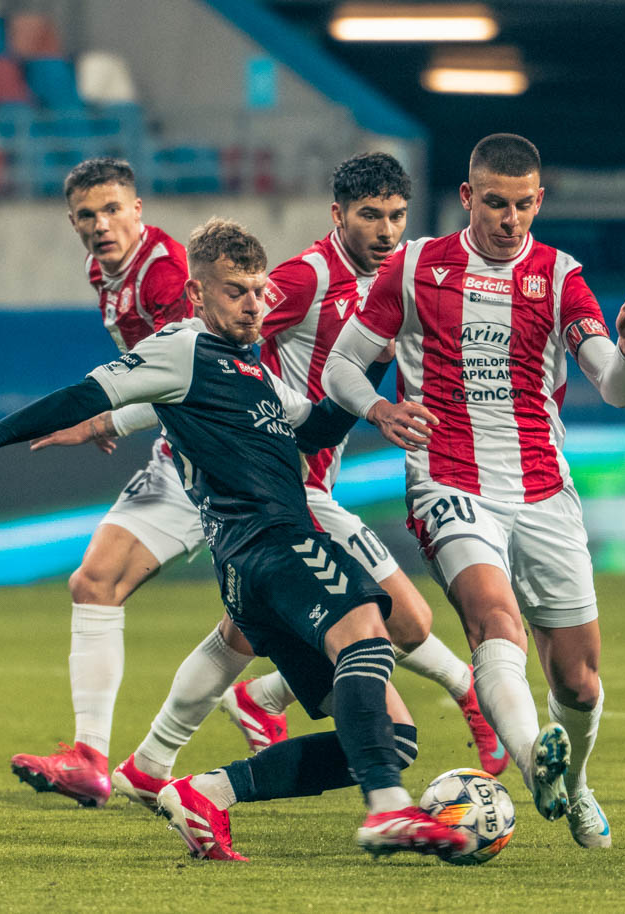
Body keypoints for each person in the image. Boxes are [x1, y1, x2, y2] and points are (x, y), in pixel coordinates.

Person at [0, 218, 464, 862]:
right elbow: (83, 394)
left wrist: (372, 377)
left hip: (252, 570)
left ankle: (206, 793)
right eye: (235, 292)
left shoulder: (252, 370)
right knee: (366, 629)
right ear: (197, 294)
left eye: (258, 291)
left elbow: (314, 428)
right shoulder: (182, 349)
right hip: (273, 545)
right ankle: (388, 810)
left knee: (391, 737)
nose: (254, 305)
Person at [322, 133, 625, 849]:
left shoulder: (560, 276)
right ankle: (536, 760)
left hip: (544, 491)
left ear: (540, 201)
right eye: (497, 203)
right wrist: (379, 410)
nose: (511, 219)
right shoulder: (415, 267)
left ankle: (574, 783)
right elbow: (341, 367)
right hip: (448, 479)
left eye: (524, 205)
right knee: (494, 620)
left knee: (580, 681)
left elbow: (614, 387)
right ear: (468, 196)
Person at [217, 151, 505, 774]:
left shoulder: (395, 280)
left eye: (397, 216)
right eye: (370, 215)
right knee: (406, 619)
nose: (386, 230)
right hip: (288, 486)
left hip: (313, 484)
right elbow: (220, 345)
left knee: (241, 633)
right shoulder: (306, 277)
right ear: (338, 215)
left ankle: (220, 723)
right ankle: (468, 693)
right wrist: (270, 427)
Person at [7, 157, 210, 809]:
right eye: (87, 215)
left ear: (138, 209)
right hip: (183, 453)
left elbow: (198, 375)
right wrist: (119, 410)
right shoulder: (106, 272)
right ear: (72, 222)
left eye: (113, 209)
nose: (101, 225)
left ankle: (463, 691)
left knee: (293, 624)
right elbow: (153, 372)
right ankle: (91, 760)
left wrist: (107, 416)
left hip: (230, 457)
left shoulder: (165, 274)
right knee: (93, 582)